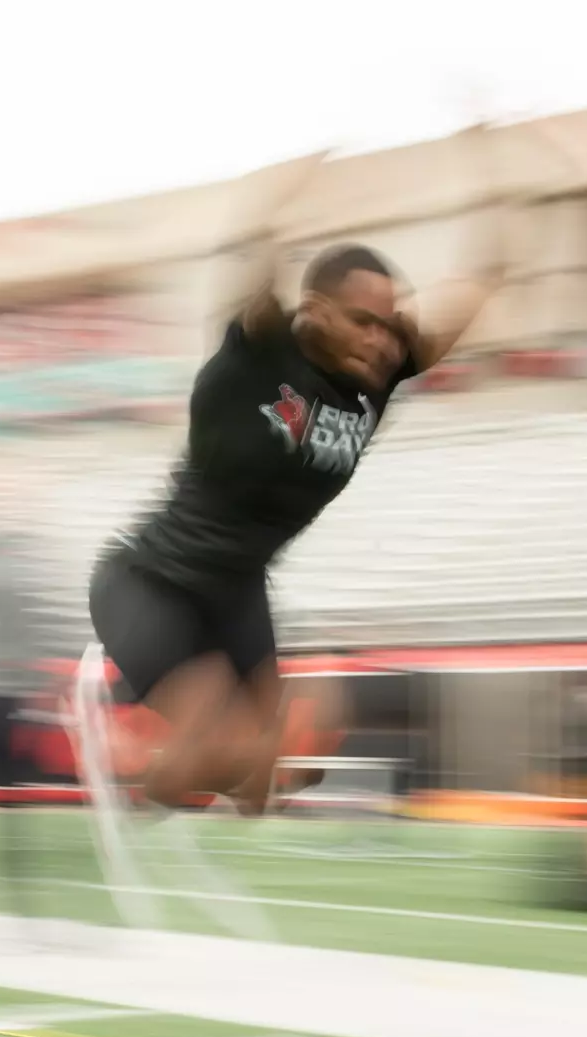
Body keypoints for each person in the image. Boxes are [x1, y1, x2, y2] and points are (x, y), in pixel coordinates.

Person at [77, 138, 519, 821]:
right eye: (362, 322)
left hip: (238, 591)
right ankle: (139, 764)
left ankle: (200, 765)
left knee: (258, 788)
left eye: (390, 326)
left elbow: (485, 274)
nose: (381, 340)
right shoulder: (260, 354)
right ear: (314, 311)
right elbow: (249, 263)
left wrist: (489, 155)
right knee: (214, 745)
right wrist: (276, 199)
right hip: (154, 582)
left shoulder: (384, 373)